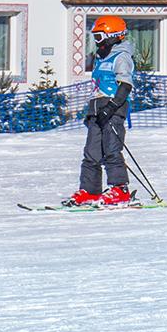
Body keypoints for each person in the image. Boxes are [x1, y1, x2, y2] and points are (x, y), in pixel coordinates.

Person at [66, 16, 135, 207]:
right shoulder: (100, 56)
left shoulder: (121, 56)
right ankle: (90, 190)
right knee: (91, 151)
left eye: (99, 37)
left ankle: (120, 189)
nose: (97, 42)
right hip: (96, 107)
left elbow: (126, 85)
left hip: (114, 107)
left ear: (113, 36)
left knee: (112, 148)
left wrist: (111, 107)